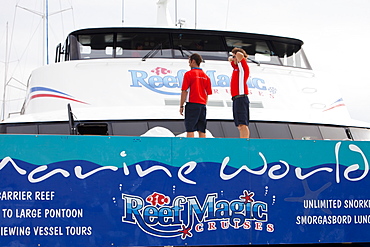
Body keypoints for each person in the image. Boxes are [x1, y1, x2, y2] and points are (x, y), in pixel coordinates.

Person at [179, 53, 212, 138]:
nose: (189, 63)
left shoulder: (188, 74)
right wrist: (204, 104)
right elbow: (207, 93)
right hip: (202, 105)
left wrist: (181, 105)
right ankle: (202, 148)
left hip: (192, 103)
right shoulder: (206, 76)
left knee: (190, 129)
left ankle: (190, 148)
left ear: (193, 61)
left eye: (189, 61)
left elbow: (184, 91)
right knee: (202, 129)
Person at [229, 47, 250, 138]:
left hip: (241, 97)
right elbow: (230, 60)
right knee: (239, 125)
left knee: (243, 124)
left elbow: (240, 56)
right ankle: (242, 139)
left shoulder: (243, 68)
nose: (233, 58)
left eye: (234, 57)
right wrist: (233, 58)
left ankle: (244, 142)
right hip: (236, 98)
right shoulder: (236, 68)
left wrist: (237, 54)